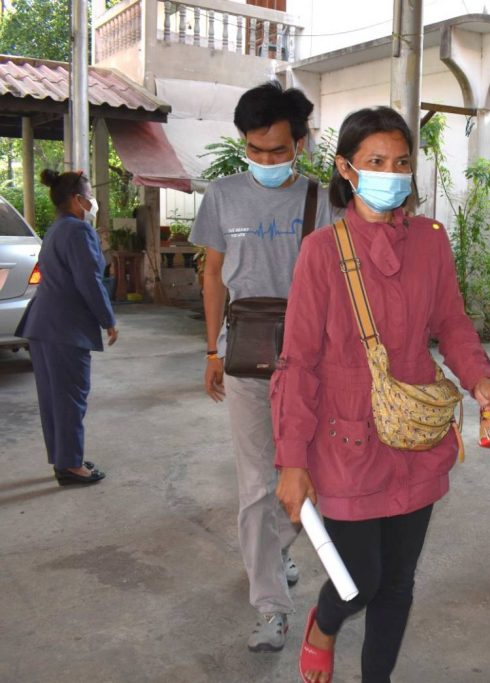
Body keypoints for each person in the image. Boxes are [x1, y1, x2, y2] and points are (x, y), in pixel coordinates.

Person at [271, 106, 490, 683]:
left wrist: (480, 377)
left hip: (415, 434)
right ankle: (324, 624)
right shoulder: (322, 251)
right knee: (360, 580)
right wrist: (292, 460)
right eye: (376, 161)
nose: (391, 173)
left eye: (401, 162)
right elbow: (298, 363)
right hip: (345, 439)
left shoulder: (430, 240)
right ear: (346, 169)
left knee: (398, 582)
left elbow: (452, 322)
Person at [189, 81, 334, 652]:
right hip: (245, 354)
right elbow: (211, 275)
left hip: (311, 359)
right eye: (254, 150)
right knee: (255, 485)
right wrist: (211, 350)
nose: (266, 161)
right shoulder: (222, 195)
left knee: (309, 474)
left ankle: (274, 551)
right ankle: (271, 606)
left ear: (300, 143)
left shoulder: (324, 200)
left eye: (277, 151)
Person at [16, 169, 118, 487]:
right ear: (77, 200)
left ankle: (65, 459)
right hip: (65, 329)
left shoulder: (57, 228)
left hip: (43, 325)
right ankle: (71, 466)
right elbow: (90, 281)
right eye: (89, 195)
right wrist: (108, 319)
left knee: (54, 399)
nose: (93, 201)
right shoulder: (78, 230)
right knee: (71, 398)